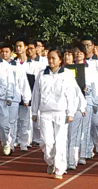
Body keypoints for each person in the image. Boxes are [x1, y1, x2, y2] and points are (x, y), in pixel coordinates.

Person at [31, 49, 84, 179]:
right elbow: (36, 94)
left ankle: (60, 169)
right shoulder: (41, 74)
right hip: (45, 112)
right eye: (49, 58)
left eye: (53, 58)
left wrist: (70, 112)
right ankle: (50, 161)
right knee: (46, 142)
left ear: (60, 60)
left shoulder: (67, 74)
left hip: (61, 112)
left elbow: (71, 94)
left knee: (60, 141)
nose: (51, 61)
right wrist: (34, 112)